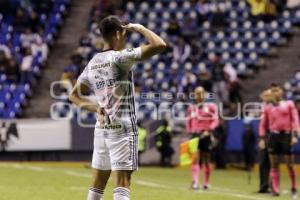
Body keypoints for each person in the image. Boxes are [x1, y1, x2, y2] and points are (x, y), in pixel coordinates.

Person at [69, 16, 166, 200]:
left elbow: (73, 95)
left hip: (102, 129)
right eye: (125, 34)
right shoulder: (119, 58)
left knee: (97, 184)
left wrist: (95, 107)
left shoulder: (93, 63)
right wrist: (140, 27)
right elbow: (159, 44)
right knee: (122, 184)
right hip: (122, 129)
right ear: (118, 33)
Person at [259, 85, 299, 197]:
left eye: (276, 92)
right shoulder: (267, 107)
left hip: (286, 136)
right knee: (274, 165)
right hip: (273, 136)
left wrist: (295, 135)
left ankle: (294, 187)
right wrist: (262, 139)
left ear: (280, 94)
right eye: (272, 92)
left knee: (290, 165)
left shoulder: (289, 104)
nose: (273, 94)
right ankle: (275, 190)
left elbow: (295, 120)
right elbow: (263, 125)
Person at [186, 86, 219, 190]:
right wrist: (190, 131)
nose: (199, 95)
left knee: (206, 159)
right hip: (195, 135)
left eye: (201, 93)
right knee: (195, 159)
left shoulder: (211, 106)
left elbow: (215, 119)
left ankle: (206, 182)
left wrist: (209, 130)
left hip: (206, 134)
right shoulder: (191, 107)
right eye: (197, 93)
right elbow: (188, 121)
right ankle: (195, 182)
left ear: (204, 94)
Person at [257, 89, 272, 193]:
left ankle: (272, 185)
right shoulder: (263, 107)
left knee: (273, 162)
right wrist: (262, 138)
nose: (265, 97)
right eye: (264, 95)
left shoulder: (275, 106)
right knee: (263, 162)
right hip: (265, 135)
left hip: (274, 135)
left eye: (267, 95)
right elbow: (261, 124)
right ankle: (263, 186)